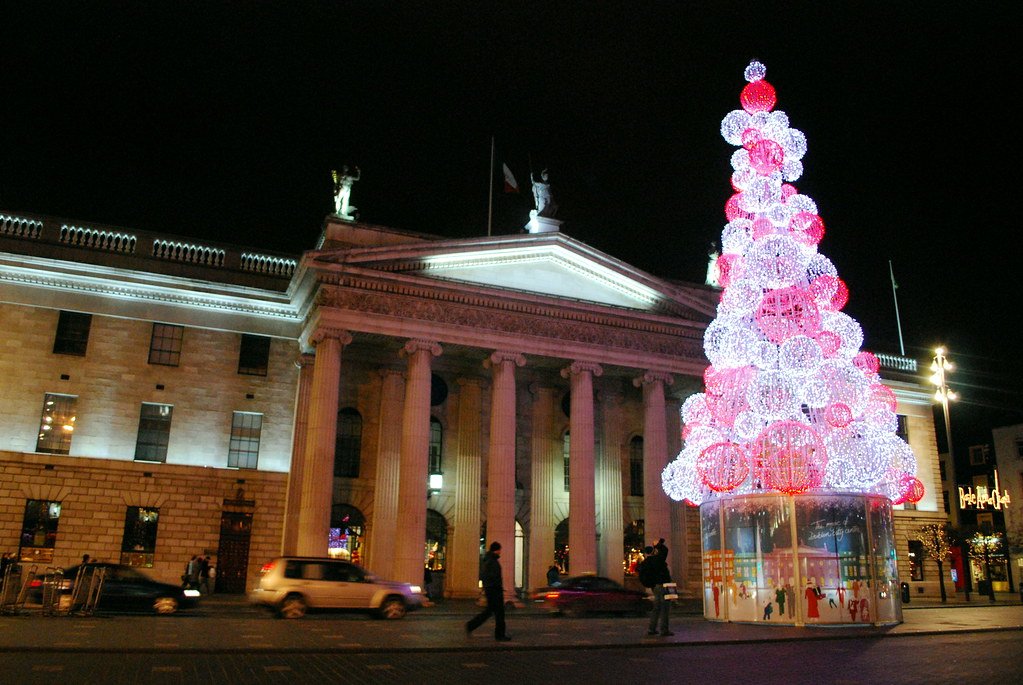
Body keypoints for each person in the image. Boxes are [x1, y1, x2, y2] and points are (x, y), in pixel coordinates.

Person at [465, 542, 511, 641]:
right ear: (497, 550)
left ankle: (471, 625)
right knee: (499, 614)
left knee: (489, 612)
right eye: (499, 550)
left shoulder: (488, 560)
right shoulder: (492, 561)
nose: (500, 552)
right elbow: (494, 577)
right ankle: (500, 635)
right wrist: (498, 588)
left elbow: (486, 576)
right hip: (495, 591)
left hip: (491, 590)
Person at [639, 539, 674, 637]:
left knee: (656, 608)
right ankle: (664, 629)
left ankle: (652, 629)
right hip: (663, 585)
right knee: (665, 608)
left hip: (655, 587)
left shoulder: (645, 562)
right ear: (654, 551)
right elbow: (665, 550)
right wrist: (658, 545)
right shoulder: (658, 559)